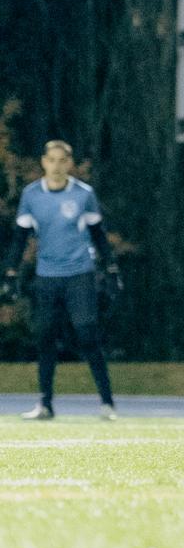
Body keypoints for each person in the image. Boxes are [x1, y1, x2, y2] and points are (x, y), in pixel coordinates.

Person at [5, 140, 120, 421]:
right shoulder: (32, 195)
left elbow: (98, 233)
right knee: (45, 338)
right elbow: (20, 238)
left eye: (62, 160)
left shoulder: (83, 194)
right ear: (44, 162)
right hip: (47, 276)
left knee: (87, 334)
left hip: (79, 274)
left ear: (69, 164)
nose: (56, 166)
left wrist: (112, 268)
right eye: (51, 160)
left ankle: (107, 403)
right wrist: (10, 272)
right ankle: (45, 404)